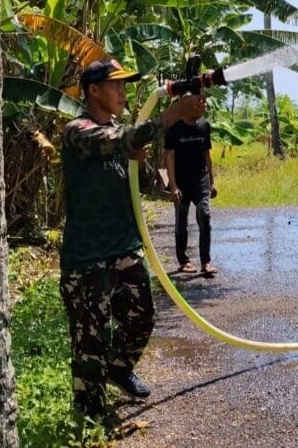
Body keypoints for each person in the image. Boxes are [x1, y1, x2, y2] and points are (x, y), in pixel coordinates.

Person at [59, 58, 206, 420]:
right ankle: (90, 414)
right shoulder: (78, 131)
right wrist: (171, 115)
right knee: (90, 338)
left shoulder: (121, 135)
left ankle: (120, 368)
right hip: (88, 256)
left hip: (124, 246)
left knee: (142, 315)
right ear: (94, 91)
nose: (123, 92)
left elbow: (129, 148)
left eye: (126, 85)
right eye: (116, 85)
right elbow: (123, 138)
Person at [164, 108, 218, 276]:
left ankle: (206, 261)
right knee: (181, 221)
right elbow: (170, 158)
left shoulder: (204, 126)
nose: (201, 106)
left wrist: (212, 182)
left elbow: (207, 155)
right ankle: (184, 261)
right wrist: (173, 185)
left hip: (201, 181)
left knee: (205, 216)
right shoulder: (174, 130)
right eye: (197, 102)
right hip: (181, 182)